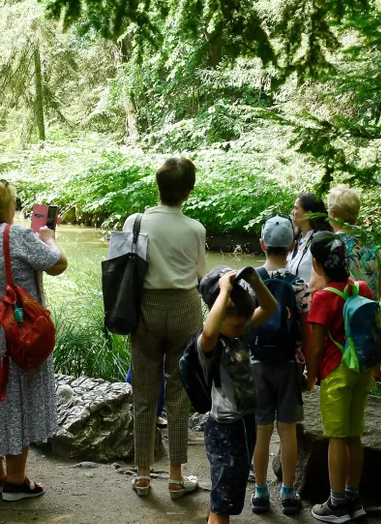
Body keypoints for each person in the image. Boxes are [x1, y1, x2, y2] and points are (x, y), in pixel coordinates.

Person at [0, 179, 68, 501]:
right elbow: (58, 265)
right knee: (16, 399)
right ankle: (17, 481)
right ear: (4, 205)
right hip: (16, 330)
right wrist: (48, 238)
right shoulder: (17, 234)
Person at [123, 157, 208, 499]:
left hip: (145, 307)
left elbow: (120, 266)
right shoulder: (195, 229)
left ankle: (143, 475)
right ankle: (176, 476)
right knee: (179, 393)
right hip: (184, 307)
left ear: (157, 186)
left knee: (144, 393)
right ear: (188, 191)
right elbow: (202, 276)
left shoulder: (136, 221)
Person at [305, 232, 381, 524]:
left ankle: (336, 504)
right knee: (353, 436)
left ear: (317, 264)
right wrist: (377, 367)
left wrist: (310, 376)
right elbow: (375, 333)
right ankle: (353, 497)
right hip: (361, 372)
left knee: (336, 437)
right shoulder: (361, 287)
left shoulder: (324, 298)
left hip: (336, 374)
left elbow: (316, 347)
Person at [198, 266, 278, 524]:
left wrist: (255, 281)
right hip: (224, 428)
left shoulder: (239, 335)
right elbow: (210, 331)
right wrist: (224, 290)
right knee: (224, 502)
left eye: (245, 321)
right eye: (237, 322)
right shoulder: (209, 343)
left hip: (244, 423)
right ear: (218, 315)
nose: (244, 326)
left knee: (225, 492)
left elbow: (269, 308)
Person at [250, 215, 310, 516]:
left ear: (262, 244)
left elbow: (241, 326)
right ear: (292, 246)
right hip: (288, 365)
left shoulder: (250, 282)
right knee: (287, 430)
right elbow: (306, 328)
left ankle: (260, 492)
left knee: (261, 430)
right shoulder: (298, 283)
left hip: (256, 363)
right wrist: (308, 368)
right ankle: (288, 493)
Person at [327, 186, 381, 299]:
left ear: (332, 213)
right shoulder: (375, 245)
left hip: (344, 314)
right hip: (371, 313)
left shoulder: (332, 245)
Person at [288, 193, 334, 284]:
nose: (292, 212)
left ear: (308, 214)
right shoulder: (297, 239)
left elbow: (322, 282)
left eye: (296, 208)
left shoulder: (321, 242)